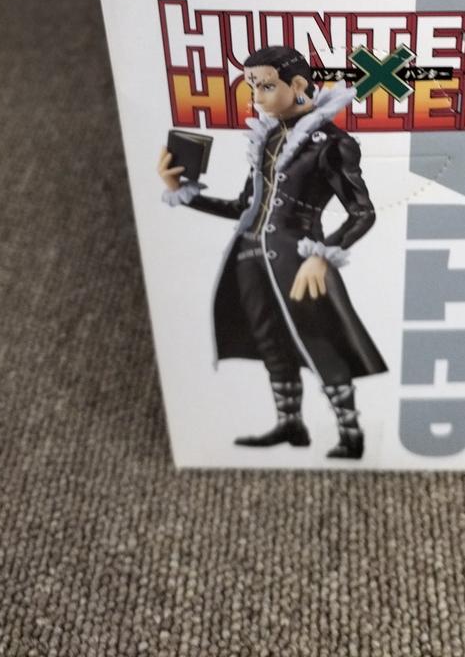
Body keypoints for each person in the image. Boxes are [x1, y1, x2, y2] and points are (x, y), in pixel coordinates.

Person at [158, 45, 387, 460]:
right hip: (249, 254)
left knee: (318, 341)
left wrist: (323, 254)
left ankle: (351, 435)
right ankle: (290, 424)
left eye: (265, 86)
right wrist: (182, 192)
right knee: (270, 341)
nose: (256, 97)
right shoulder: (267, 138)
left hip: (298, 258)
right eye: (252, 87)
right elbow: (243, 207)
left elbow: (362, 213)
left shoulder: (331, 143)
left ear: (298, 84)